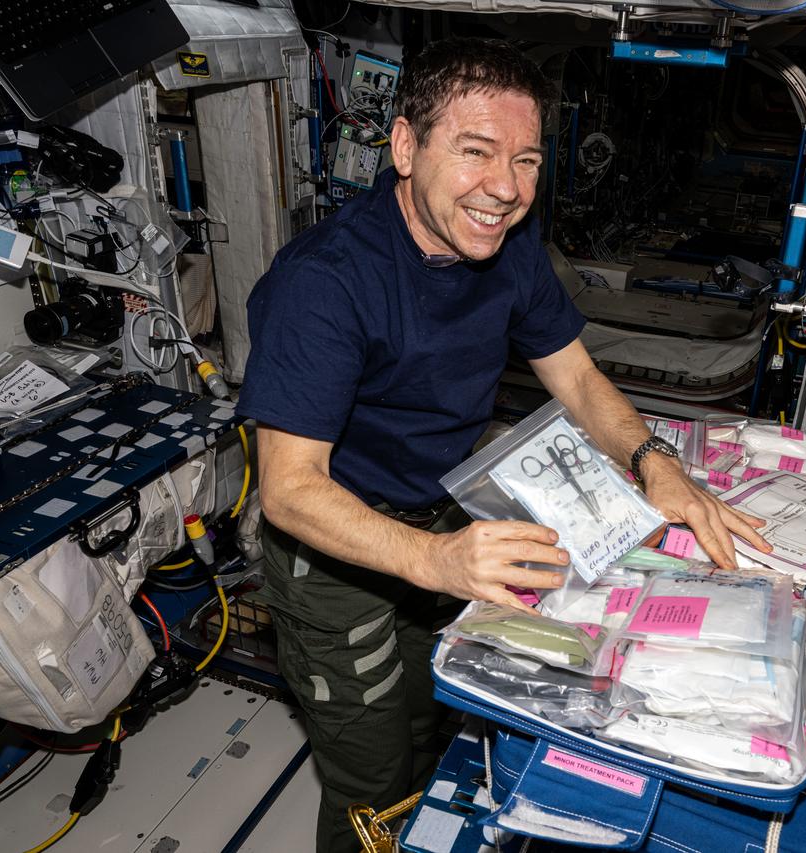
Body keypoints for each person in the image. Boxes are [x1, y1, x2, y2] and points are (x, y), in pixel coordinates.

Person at [238, 36, 771, 852]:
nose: (507, 189)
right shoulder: (326, 281)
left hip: (439, 519)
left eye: (526, 160)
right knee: (370, 779)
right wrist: (438, 561)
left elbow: (581, 381)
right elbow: (290, 488)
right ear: (407, 147)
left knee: (433, 725)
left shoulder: (509, 248)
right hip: (336, 547)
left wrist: (654, 463)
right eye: (477, 152)